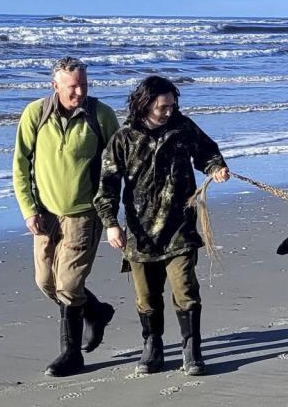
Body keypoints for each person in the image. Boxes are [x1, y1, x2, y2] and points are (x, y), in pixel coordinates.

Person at [94, 75, 230, 376]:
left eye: (172, 104)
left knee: (185, 289)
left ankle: (191, 350)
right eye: (163, 107)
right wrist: (111, 224)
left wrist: (216, 167)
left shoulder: (182, 128)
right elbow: (107, 186)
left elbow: (207, 152)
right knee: (146, 297)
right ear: (145, 104)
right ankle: (152, 346)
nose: (169, 111)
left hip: (180, 226)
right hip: (140, 233)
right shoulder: (123, 139)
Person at [12, 57, 120, 377]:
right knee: (46, 282)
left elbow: (119, 163)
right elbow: (20, 165)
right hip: (45, 215)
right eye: (72, 86)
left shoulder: (101, 115)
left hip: (84, 214)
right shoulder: (35, 113)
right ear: (55, 85)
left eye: (84, 84)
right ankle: (97, 312)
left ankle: (71, 354)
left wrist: (112, 212)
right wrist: (28, 209)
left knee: (69, 285)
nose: (79, 91)